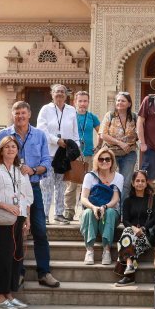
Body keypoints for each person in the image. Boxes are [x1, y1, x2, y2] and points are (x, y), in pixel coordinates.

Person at [0, 101, 59, 289]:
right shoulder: (3, 135)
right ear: (12, 115)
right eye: (17, 113)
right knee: (15, 233)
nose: (20, 117)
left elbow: (46, 164)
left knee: (40, 231)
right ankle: (18, 273)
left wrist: (32, 170)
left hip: (32, 188)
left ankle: (44, 272)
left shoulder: (40, 135)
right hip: (9, 192)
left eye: (23, 113)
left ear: (29, 114)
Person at [0, 135, 32, 309]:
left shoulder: (19, 171)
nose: (11, 149)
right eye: (7, 147)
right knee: (3, 257)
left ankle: (10, 294)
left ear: (17, 151)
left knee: (16, 257)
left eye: (14, 147)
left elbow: (27, 196)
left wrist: (26, 219)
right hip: (4, 219)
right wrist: (7, 206)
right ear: (1, 150)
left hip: (18, 218)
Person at [37, 84, 79, 223]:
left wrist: (75, 148)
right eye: (57, 91)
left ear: (66, 94)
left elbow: (75, 133)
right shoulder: (45, 109)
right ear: (52, 94)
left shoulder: (71, 110)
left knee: (61, 185)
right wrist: (57, 140)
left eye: (62, 92)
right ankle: (44, 215)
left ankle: (59, 214)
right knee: (46, 184)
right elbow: (42, 130)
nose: (60, 94)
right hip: (48, 152)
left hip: (64, 154)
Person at [79, 146, 124, 266]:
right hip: (91, 208)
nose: (104, 162)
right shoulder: (89, 176)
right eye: (101, 159)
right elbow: (83, 198)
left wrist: (104, 207)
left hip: (110, 210)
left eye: (107, 159)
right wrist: (94, 208)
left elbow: (115, 199)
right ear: (96, 161)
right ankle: (89, 250)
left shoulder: (118, 177)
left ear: (112, 161)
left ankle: (107, 250)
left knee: (109, 212)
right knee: (88, 212)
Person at [115, 169, 155, 286]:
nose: (140, 183)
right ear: (133, 183)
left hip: (147, 235)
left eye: (143, 181)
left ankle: (129, 272)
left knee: (125, 239)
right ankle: (130, 264)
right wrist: (134, 228)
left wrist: (143, 229)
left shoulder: (152, 199)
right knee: (128, 232)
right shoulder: (127, 201)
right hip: (131, 233)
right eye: (137, 181)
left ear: (146, 183)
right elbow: (125, 220)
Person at [64, 90, 102, 222]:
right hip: (73, 156)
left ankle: (85, 211)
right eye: (80, 101)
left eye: (85, 101)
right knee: (72, 185)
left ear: (88, 102)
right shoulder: (70, 116)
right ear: (75, 102)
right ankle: (68, 212)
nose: (83, 103)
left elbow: (101, 132)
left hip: (88, 156)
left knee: (87, 185)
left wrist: (98, 147)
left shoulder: (92, 117)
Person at [101, 91, 139, 181]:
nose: (119, 103)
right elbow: (103, 134)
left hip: (129, 153)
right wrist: (120, 143)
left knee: (126, 181)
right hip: (111, 152)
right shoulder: (110, 115)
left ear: (129, 104)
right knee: (108, 179)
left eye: (123, 101)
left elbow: (141, 132)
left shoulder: (134, 117)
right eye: (118, 100)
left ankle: (123, 196)